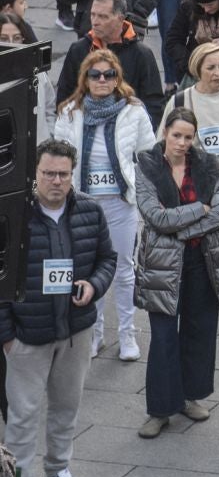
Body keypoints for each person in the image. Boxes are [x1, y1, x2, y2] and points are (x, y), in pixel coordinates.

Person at [0, 140, 115, 477]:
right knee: (22, 416)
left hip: (75, 332)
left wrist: (94, 285)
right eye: (48, 173)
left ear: (73, 174)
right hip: (27, 335)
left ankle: (57, 473)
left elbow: (107, 259)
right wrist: (7, 337)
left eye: (63, 174)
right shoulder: (13, 215)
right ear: (35, 173)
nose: (56, 181)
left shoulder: (90, 211)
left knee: (66, 407)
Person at [49, 46, 156, 361]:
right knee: (86, 269)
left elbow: (148, 154)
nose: (102, 80)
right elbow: (59, 155)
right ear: (86, 78)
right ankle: (94, 334)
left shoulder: (133, 110)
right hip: (83, 205)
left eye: (109, 74)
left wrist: (144, 190)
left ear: (117, 78)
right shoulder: (71, 111)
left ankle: (127, 334)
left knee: (124, 269)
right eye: (95, 75)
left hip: (121, 203)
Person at [135, 108, 219, 437]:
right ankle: (159, 409)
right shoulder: (147, 165)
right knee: (163, 336)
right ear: (165, 132)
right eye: (176, 135)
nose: (181, 142)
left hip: (202, 260)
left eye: (188, 137)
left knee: (200, 330)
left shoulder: (208, 165)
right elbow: (154, 217)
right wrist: (197, 211)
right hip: (163, 264)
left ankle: (189, 397)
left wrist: (178, 223)